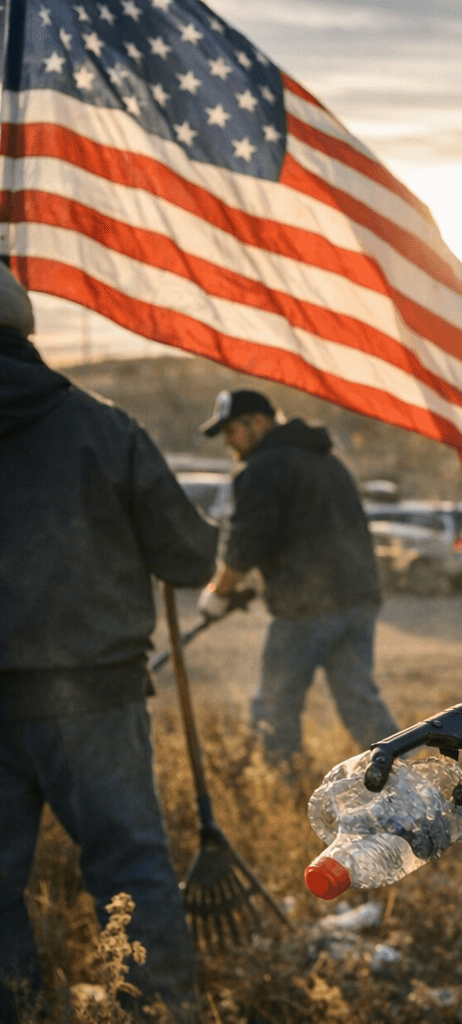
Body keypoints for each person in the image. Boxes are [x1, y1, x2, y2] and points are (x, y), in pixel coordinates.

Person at [0, 265, 218, 1023]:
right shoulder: (104, 426)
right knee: (130, 870)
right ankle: (161, 1013)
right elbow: (187, 559)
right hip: (95, 698)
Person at [198, 389, 399, 766]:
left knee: (275, 705)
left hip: (307, 608)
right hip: (358, 599)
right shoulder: (326, 460)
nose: (227, 441)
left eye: (231, 430)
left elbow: (245, 543)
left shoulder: (261, 468)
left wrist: (218, 593)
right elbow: (308, 532)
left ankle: (284, 783)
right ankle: (403, 775)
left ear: (258, 422)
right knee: (359, 699)